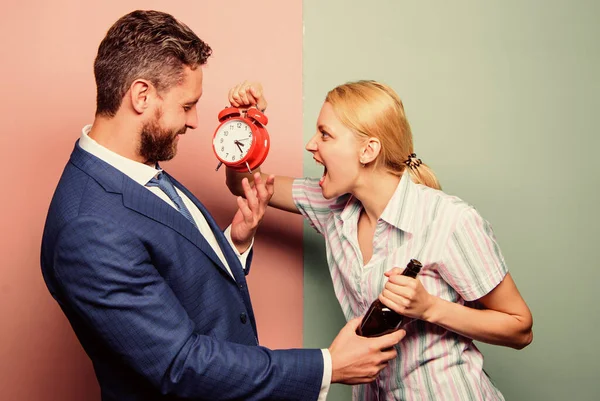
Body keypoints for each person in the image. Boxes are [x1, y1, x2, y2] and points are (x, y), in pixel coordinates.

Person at [40, 10, 407, 401]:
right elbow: (180, 364)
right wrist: (328, 365)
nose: (196, 121)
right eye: (187, 105)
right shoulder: (88, 225)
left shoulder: (134, 168)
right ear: (142, 95)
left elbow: (170, 270)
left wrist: (233, 240)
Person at [226, 80, 534, 400]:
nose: (311, 145)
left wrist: (429, 307)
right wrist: (243, 121)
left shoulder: (449, 220)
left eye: (325, 134)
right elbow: (245, 184)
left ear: (368, 150)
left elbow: (520, 327)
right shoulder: (333, 208)